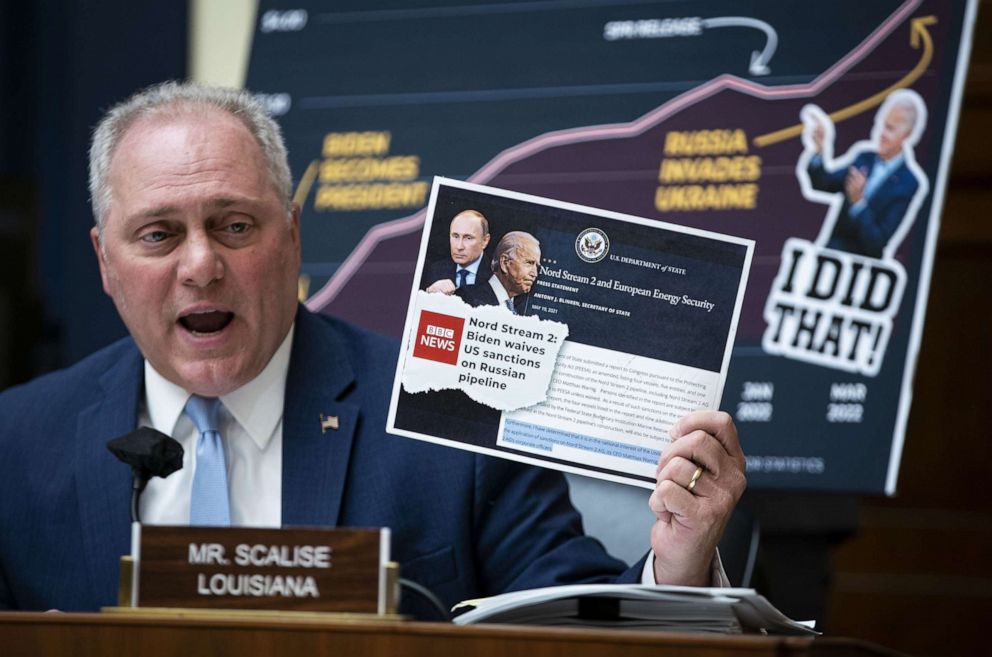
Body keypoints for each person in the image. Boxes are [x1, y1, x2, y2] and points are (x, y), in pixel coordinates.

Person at [0, 81, 746, 616]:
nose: (200, 265)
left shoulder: (453, 416)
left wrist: (677, 566)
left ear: (293, 237)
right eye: (159, 234)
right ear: (104, 261)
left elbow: (580, 627)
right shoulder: (16, 444)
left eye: (234, 225)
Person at [799, 89, 929, 258]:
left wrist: (859, 204)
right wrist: (819, 150)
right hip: (829, 256)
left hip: (862, 271)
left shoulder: (908, 183)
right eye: (881, 124)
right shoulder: (864, 158)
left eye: (889, 128)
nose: (880, 133)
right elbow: (822, 184)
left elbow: (878, 243)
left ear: (907, 135)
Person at [457, 231, 539, 314]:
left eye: (537, 267)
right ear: (505, 262)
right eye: (529, 263)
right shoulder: (468, 297)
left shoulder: (516, 311)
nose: (535, 274)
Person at [424, 209, 491, 294]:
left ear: (485, 241)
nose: (459, 247)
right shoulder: (436, 269)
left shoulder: (497, 276)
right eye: (455, 236)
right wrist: (428, 292)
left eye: (468, 238)